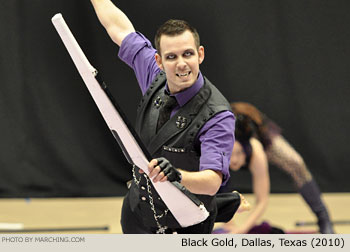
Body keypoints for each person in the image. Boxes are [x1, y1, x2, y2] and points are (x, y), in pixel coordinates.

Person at [90, 0, 235, 233]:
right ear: (159, 60)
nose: (181, 64)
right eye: (171, 57)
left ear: (200, 54)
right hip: (138, 213)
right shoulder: (153, 73)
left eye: (188, 54)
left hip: (187, 224)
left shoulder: (217, 115)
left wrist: (178, 176)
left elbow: (212, 183)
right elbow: (118, 28)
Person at [220, 102, 334, 234]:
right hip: (226, 137)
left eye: (238, 154)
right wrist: (229, 224)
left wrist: (243, 229)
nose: (233, 161)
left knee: (295, 163)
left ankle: (323, 217)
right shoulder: (215, 150)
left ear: (247, 148)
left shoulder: (256, 150)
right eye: (230, 155)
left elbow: (262, 200)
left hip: (256, 129)